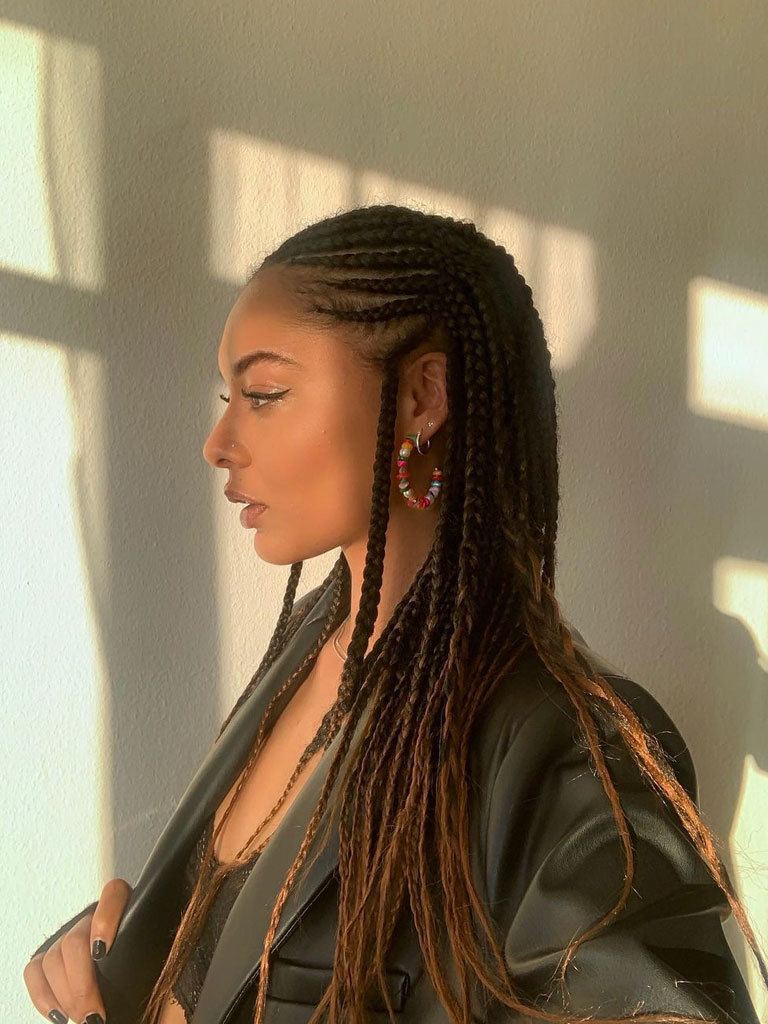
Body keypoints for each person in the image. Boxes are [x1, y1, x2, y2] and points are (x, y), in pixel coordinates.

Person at [24, 204, 765, 1024]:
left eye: (264, 394)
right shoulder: (312, 645)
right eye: (227, 394)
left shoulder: (562, 746)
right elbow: (251, 951)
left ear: (423, 396)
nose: (218, 440)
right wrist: (121, 961)